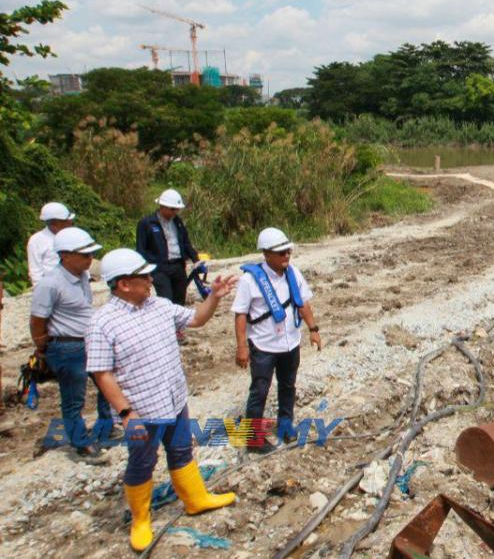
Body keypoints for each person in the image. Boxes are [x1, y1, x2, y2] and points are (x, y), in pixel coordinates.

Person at [86, 248, 238, 551]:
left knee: (181, 450)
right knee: (142, 462)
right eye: (143, 276)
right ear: (123, 284)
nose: (150, 279)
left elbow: (196, 319)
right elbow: (102, 374)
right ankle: (140, 519)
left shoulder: (158, 306)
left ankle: (195, 499)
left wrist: (215, 297)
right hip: (142, 409)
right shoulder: (102, 323)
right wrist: (126, 413)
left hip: (174, 398)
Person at [232, 227, 322, 454]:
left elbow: (303, 303)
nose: (286, 256)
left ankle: (285, 424)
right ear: (266, 254)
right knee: (260, 390)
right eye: (281, 253)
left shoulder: (294, 273)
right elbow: (240, 314)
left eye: (288, 251)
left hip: (290, 342)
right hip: (264, 345)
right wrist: (242, 346)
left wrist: (313, 328)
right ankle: (253, 440)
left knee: (288, 385)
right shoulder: (249, 281)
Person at [29, 227, 114, 460]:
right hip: (67, 347)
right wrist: (43, 347)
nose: (90, 259)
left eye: (90, 254)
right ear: (65, 255)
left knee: (107, 386)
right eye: (84, 255)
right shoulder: (51, 284)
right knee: (74, 398)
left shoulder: (83, 276)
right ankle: (80, 443)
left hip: (89, 342)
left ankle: (105, 427)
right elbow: (37, 320)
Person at [135, 189, 199, 305]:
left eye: (177, 209)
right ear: (162, 206)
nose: (175, 212)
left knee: (179, 300)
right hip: (159, 268)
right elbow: (141, 249)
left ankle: (178, 323)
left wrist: (195, 259)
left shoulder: (177, 222)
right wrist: (143, 272)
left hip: (178, 266)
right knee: (166, 300)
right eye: (172, 209)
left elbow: (185, 242)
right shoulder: (147, 224)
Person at [26, 201, 75, 287]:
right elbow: (35, 272)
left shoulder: (73, 235)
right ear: (55, 223)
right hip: (52, 287)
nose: (70, 222)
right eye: (67, 220)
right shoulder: (36, 240)